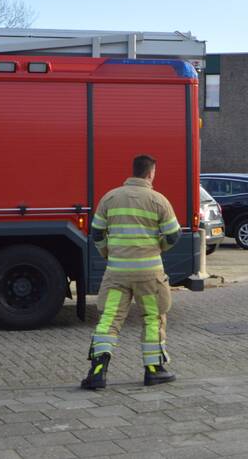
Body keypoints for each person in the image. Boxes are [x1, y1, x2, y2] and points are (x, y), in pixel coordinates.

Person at [81, 154, 181, 389]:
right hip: (149, 275)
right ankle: (154, 370)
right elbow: (173, 235)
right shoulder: (158, 200)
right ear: (151, 173)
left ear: (133, 171)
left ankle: (97, 372)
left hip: (117, 274)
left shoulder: (110, 198)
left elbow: (97, 232)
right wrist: (159, 248)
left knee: (110, 318)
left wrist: (107, 253)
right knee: (152, 318)